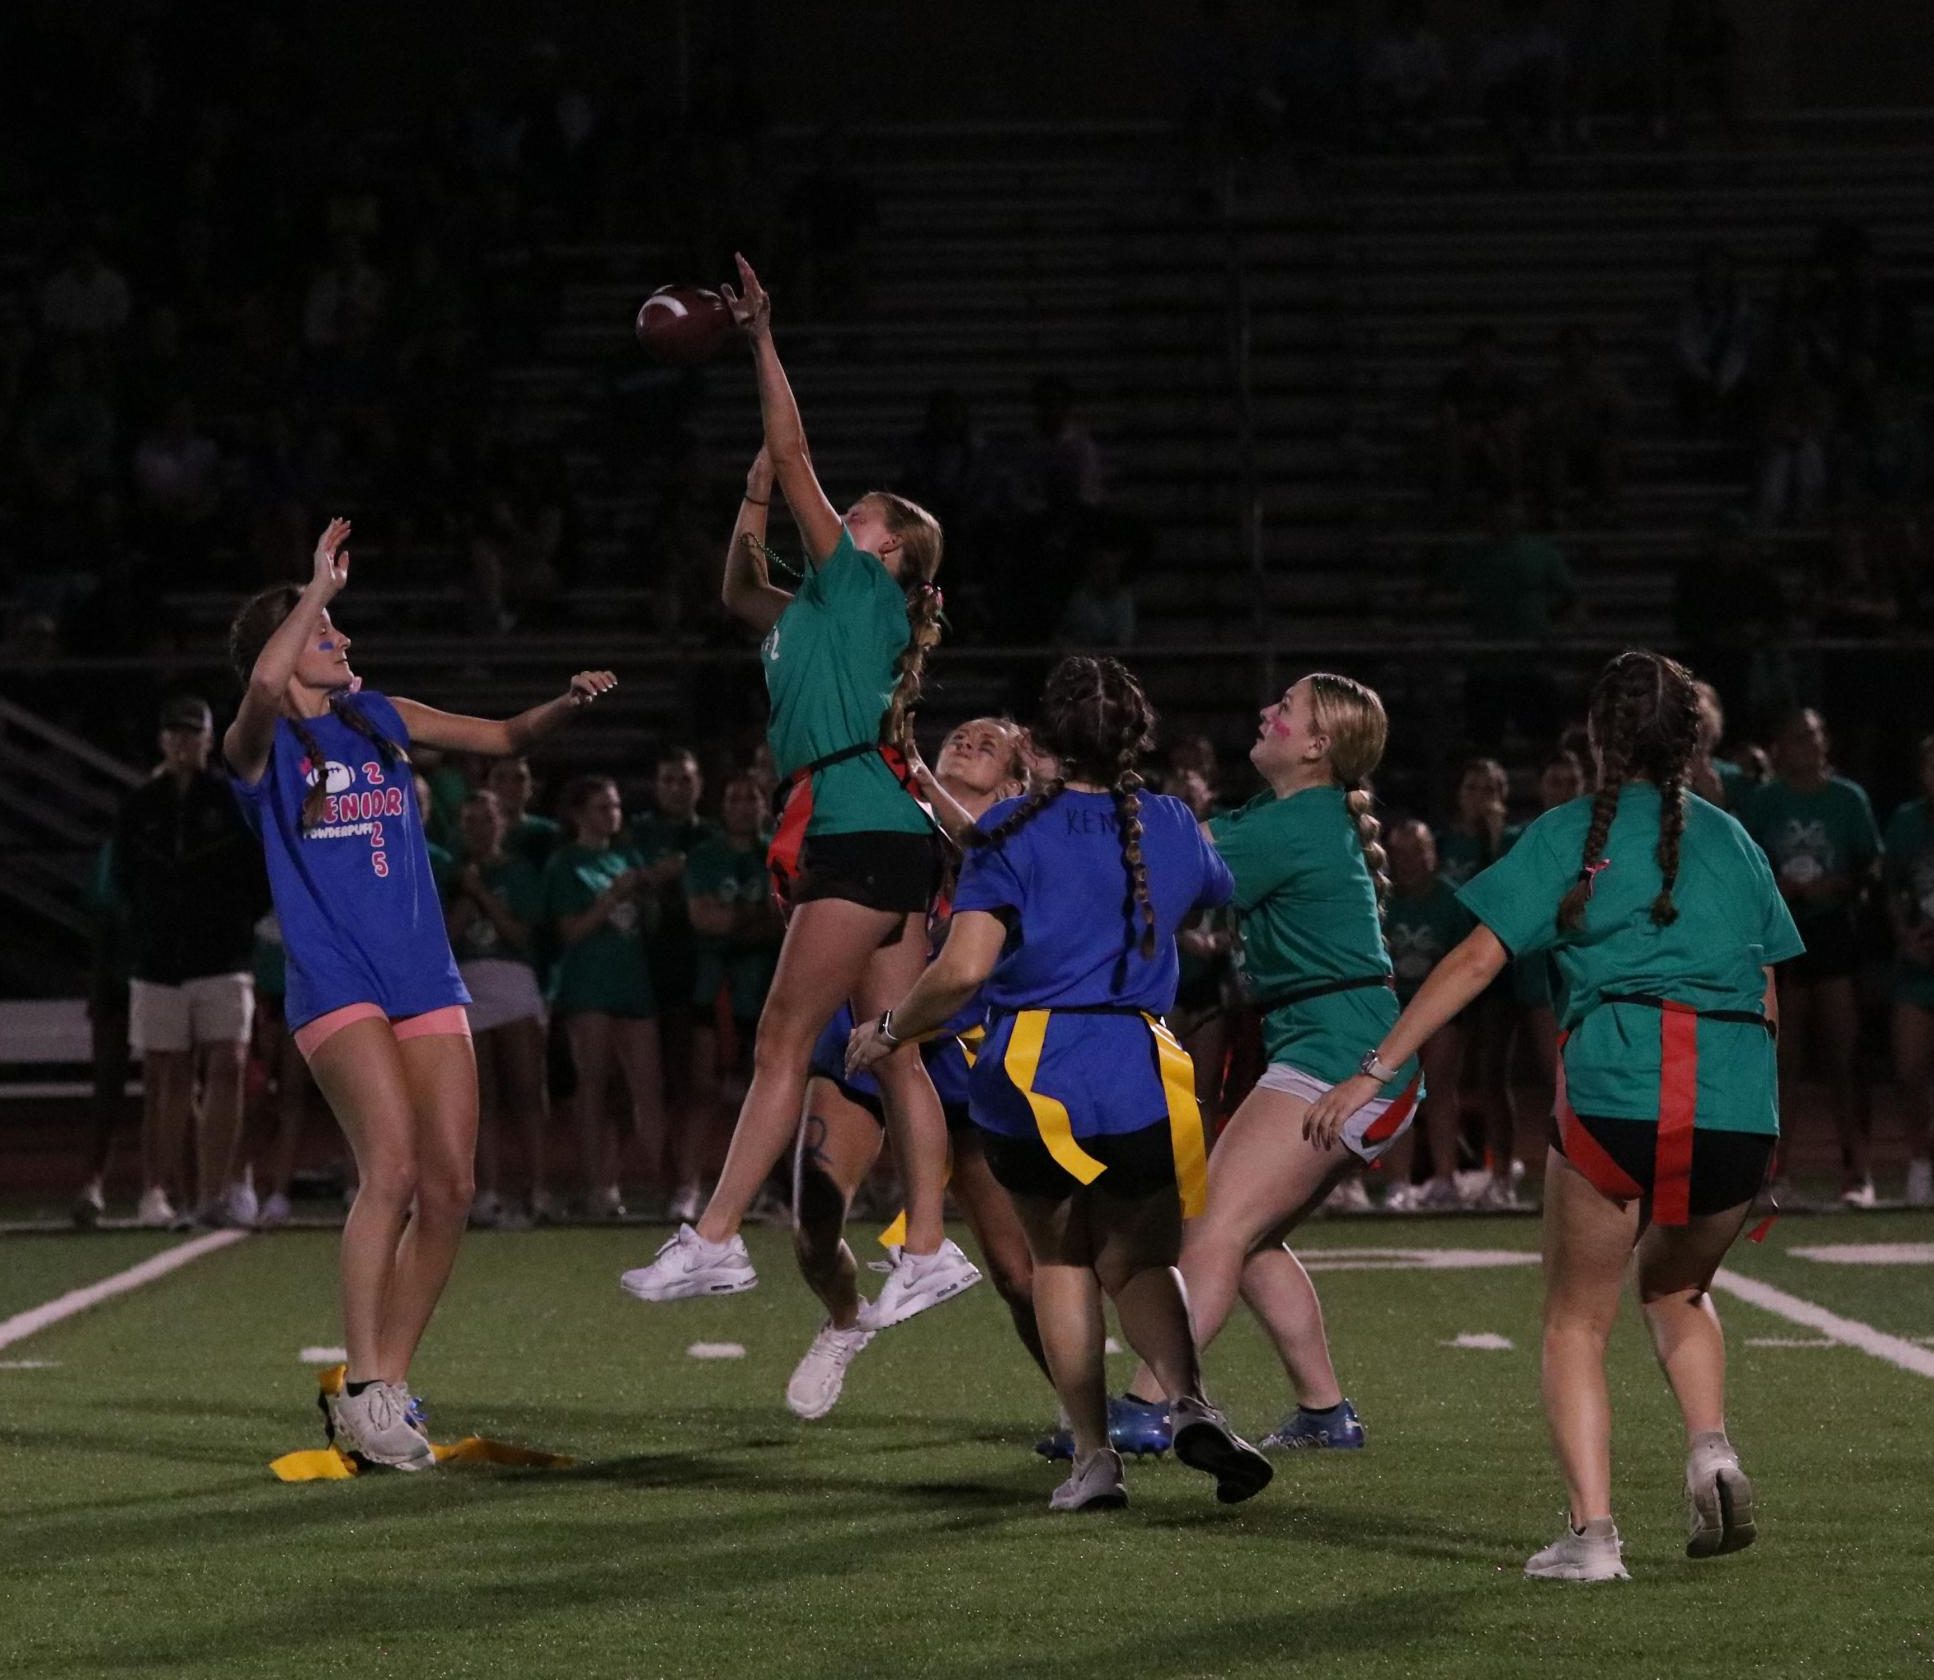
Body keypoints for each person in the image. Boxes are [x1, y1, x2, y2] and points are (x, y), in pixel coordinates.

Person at [1308, 650, 1801, 1582]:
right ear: (1693, 741)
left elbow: (1474, 962)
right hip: (1738, 1100)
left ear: (1595, 737)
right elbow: (1768, 992)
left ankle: (1594, 1535)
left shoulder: (1571, 831)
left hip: (1619, 1083)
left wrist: (1375, 1069)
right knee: (1678, 1289)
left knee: (1578, 1321)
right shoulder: (1736, 840)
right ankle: (1711, 1449)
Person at [620, 255, 974, 1326]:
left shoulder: (863, 588)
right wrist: (758, 489)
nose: (846, 516)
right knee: (892, 1047)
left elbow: (794, 442)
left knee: (783, 1039)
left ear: (890, 553)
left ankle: (716, 1238)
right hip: (876, 829)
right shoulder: (816, 613)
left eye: (860, 514)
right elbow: (734, 584)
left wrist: (758, 337)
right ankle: (927, 1249)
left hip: (859, 826)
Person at [224, 517, 615, 1468]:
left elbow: (505, 735)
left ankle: (386, 1389)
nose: (343, 640)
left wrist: (565, 703)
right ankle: (358, 1385)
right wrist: (312, 589)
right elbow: (271, 683)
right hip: (337, 983)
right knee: (389, 1170)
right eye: (327, 634)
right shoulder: (259, 747)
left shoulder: (381, 716)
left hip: (421, 976)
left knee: (451, 1186)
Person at [848, 656, 1272, 1512]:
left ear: (1040, 743)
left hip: (1036, 1067)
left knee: (1062, 1261)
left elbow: (964, 968)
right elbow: (1216, 885)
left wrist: (890, 1028)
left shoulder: (1011, 831)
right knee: (1142, 1259)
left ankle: (1094, 1458)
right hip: (1144, 1067)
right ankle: (1190, 1404)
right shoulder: (1171, 822)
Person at [1117, 672, 1418, 1456]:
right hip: (1339, 1047)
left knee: (1211, 1229)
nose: (1265, 713)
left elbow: (1160, 866)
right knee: (1247, 1238)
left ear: (1319, 746)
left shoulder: (1298, 823)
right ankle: (1325, 1413)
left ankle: (1149, 1406)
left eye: (1285, 711)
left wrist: (1069, 810)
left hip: (1341, 1055)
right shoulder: (1286, 814)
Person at [787, 717, 1038, 1420]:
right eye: (960, 736)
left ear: (1018, 783)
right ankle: (844, 1321)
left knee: (1020, 1274)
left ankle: (1084, 1415)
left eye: (989, 747)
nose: (965, 744)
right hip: (872, 1042)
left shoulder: (1021, 833)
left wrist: (918, 775)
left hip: (970, 1059)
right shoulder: (893, 812)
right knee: (811, 1216)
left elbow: (987, 849)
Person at [114, 695, 269, 1228]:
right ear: (163, 740)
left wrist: (236, 925)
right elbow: (126, 882)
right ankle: (159, 1189)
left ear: (208, 738)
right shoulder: (141, 806)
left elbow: (257, 877)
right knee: (167, 1075)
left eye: (192, 733)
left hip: (222, 955)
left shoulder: (229, 802)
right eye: (175, 733)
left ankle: (213, 1190)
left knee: (226, 1065)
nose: (183, 743)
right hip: (159, 958)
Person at [1741, 709, 1882, 1206]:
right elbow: (1749, 866)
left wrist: (1834, 884)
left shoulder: (1847, 798)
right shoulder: (1765, 802)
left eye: (1816, 735)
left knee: (1845, 1058)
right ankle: (1775, 1175)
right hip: (1782, 936)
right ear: (1781, 745)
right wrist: (1778, 887)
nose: (1809, 744)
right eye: (1798, 736)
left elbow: (1870, 865)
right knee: (1784, 1060)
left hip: (1832, 933)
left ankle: (1857, 1172)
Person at [543, 776, 661, 1218]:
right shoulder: (566, 863)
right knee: (593, 1087)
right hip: (587, 985)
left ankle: (649, 1182)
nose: (612, 815)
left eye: (614, 806)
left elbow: (645, 925)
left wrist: (647, 894)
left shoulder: (626, 856)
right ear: (578, 815)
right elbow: (569, 930)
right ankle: (598, 1185)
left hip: (633, 983)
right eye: (601, 808)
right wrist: (612, 897)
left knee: (643, 1087)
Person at [680, 773, 785, 1223]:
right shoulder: (705, 855)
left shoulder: (777, 849)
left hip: (764, 987)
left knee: (764, 1088)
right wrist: (753, 921)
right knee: (703, 1090)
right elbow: (705, 920)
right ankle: (689, 1188)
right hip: (714, 985)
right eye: (735, 797)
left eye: (752, 796)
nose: (744, 805)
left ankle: (767, 1191)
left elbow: (785, 919)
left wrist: (738, 922)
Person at [447, 789, 551, 1226]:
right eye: (469, 821)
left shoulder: (520, 872)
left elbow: (521, 934)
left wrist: (482, 894)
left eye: (486, 820)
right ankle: (486, 1192)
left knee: (527, 1092)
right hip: (466, 982)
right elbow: (444, 942)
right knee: (481, 1097)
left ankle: (538, 1189)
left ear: (501, 825)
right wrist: (466, 895)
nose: (478, 829)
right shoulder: (451, 874)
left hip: (511, 981)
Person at [1439, 757, 1524, 1207]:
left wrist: (1491, 841)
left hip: (1496, 967)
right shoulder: (1445, 841)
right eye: (1472, 786)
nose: (1479, 796)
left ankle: (1502, 1172)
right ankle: (1447, 1174)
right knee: (1445, 1074)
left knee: (1493, 1072)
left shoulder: (1511, 840)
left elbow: (1507, 892)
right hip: (1448, 963)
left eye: (1489, 787)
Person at [1378, 817, 1474, 1211]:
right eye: (1400, 853)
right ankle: (1398, 1182)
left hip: (1440, 1010)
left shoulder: (1451, 902)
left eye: (1416, 852)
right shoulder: (1381, 901)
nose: (1409, 861)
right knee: (1395, 1092)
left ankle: (1445, 1178)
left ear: (1431, 854)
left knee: (1440, 1092)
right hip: (1395, 1010)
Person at [1883, 735, 1934, 1207]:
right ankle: (1919, 1158)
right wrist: (1905, 934)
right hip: (1918, 966)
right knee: (1910, 1069)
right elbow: (1889, 888)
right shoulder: (1906, 822)